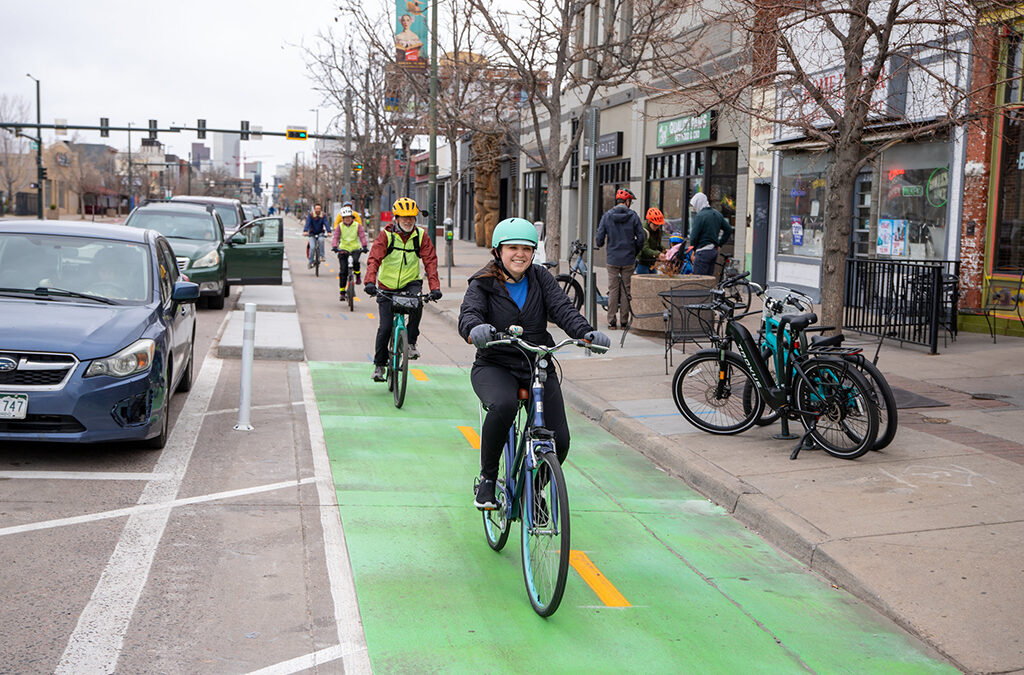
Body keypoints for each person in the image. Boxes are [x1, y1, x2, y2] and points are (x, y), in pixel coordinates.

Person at [458, 218, 611, 510]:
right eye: (513, 247)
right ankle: (488, 480)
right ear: (498, 251)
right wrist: (474, 328)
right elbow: (470, 313)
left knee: (560, 440)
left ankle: (533, 490)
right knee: (503, 406)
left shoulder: (541, 278)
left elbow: (563, 310)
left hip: (537, 364)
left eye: (527, 248)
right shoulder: (483, 282)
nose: (520, 254)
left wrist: (585, 333)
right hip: (495, 364)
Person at [364, 197, 442, 382]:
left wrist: (435, 287)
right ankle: (379, 365)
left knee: (418, 304)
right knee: (384, 328)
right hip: (386, 286)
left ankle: (411, 342)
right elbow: (374, 259)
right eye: (404, 217)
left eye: (411, 218)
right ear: (396, 218)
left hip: (410, 282)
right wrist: (370, 282)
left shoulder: (421, 236)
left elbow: (430, 262)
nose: (408, 221)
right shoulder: (386, 236)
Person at [595, 188, 645, 330]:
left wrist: (600, 244)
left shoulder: (607, 216)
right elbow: (641, 237)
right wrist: (634, 250)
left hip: (613, 259)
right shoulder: (633, 216)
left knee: (613, 289)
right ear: (627, 201)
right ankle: (624, 322)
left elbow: (599, 237)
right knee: (626, 290)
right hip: (628, 259)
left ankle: (611, 321)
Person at [688, 192, 734, 276]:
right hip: (713, 251)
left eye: (694, 205)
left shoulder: (700, 216)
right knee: (709, 279)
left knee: (698, 280)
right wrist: (720, 244)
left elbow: (693, 237)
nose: (694, 208)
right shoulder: (717, 214)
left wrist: (693, 251)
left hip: (702, 251)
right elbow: (728, 229)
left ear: (699, 203)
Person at [332, 205, 369, 302]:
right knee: (343, 271)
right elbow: (336, 237)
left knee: (356, 262)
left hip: (355, 249)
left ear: (352, 217)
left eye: (349, 217)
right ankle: (342, 292)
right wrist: (335, 246)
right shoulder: (340, 226)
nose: (347, 219)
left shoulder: (357, 225)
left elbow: (362, 236)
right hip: (343, 249)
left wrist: (364, 246)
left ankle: (357, 275)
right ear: (343, 218)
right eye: (345, 218)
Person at [636, 207, 668, 274]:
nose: (656, 227)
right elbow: (645, 249)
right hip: (642, 262)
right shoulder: (643, 230)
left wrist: (665, 250)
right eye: (655, 225)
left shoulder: (657, 230)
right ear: (649, 221)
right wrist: (658, 254)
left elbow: (658, 245)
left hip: (651, 262)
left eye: (658, 225)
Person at [303, 202, 330, 269]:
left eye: (319, 208)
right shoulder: (311, 215)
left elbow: (326, 223)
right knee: (312, 247)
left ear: (321, 209)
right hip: (312, 233)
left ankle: (321, 256)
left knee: (321, 240)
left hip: (320, 232)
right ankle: (310, 261)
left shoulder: (323, 215)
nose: (318, 210)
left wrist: (329, 231)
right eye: (316, 208)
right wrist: (305, 231)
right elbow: (307, 223)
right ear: (314, 209)